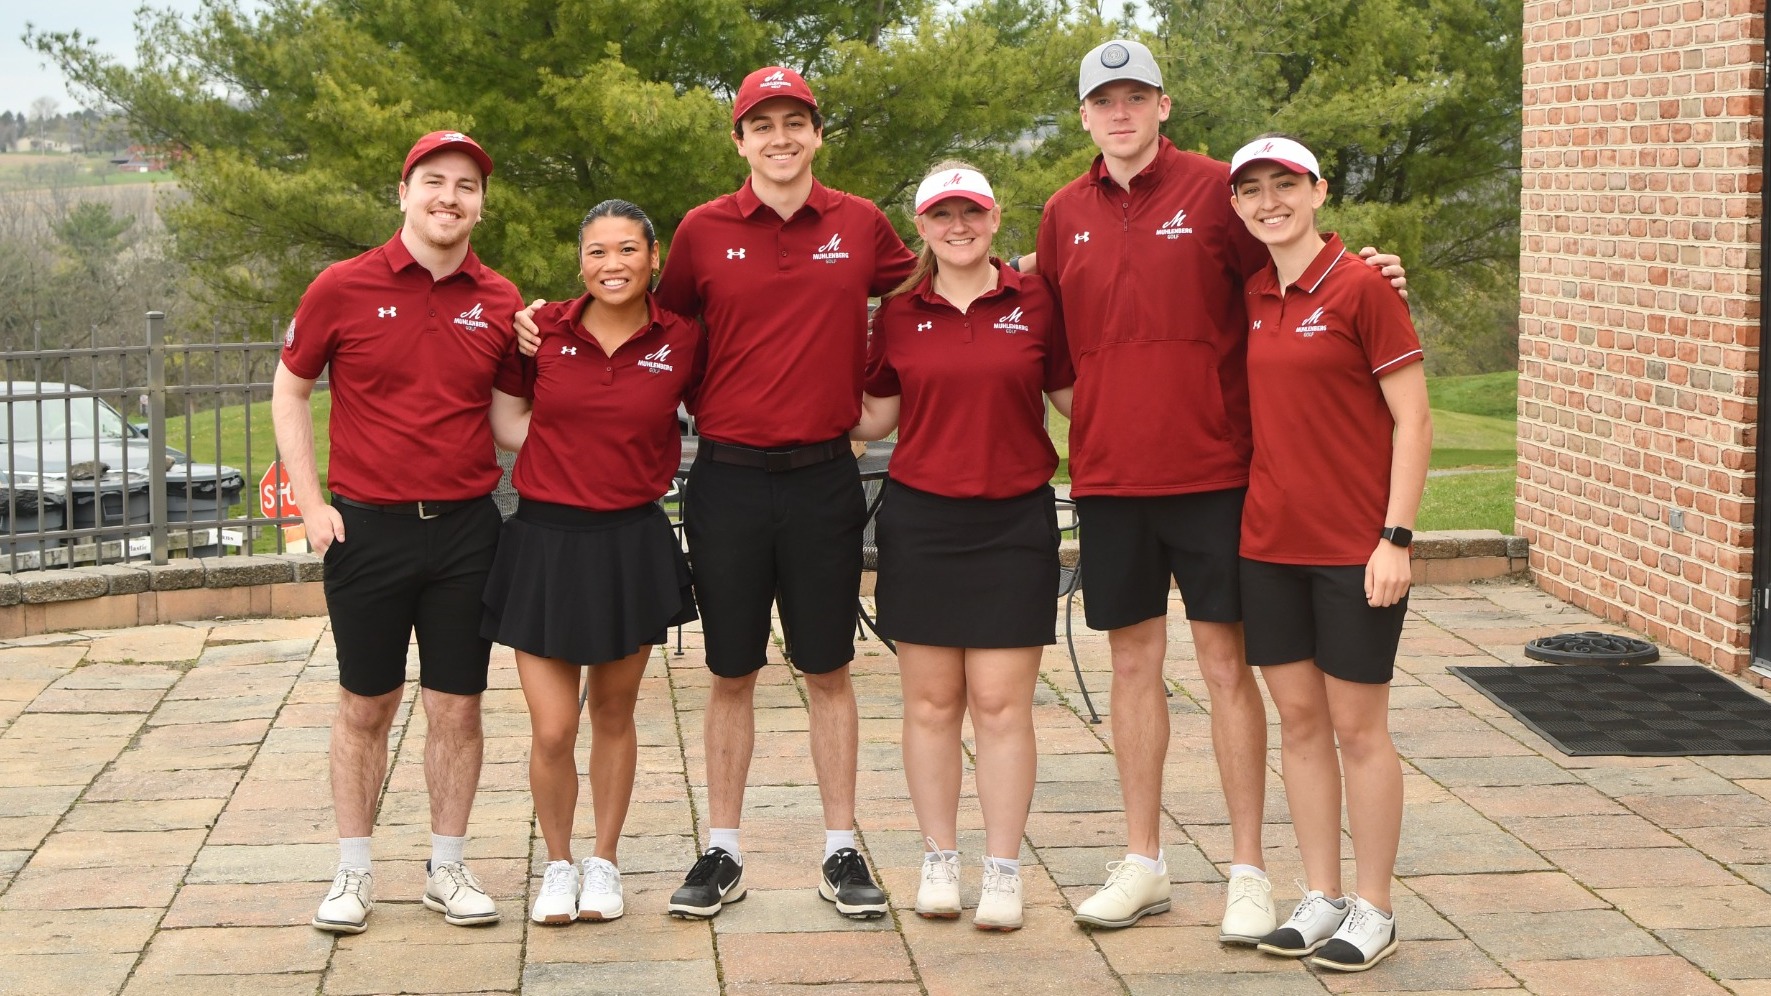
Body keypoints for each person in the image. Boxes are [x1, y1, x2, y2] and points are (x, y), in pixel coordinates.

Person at [516, 65, 916, 920]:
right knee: (730, 672)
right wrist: (541, 317)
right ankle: (722, 849)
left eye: (794, 122)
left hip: (823, 478)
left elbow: (922, 286)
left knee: (828, 669)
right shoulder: (699, 232)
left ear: (816, 134)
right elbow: (641, 315)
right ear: (738, 140)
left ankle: (841, 847)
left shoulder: (861, 225)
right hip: (728, 478)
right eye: (760, 124)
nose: (779, 138)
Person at [1034, 40, 1407, 940]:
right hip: (1113, 479)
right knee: (1132, 666)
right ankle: (1143, 863)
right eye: (1102, 101)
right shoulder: (1061, 212)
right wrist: (1117, 416)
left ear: (1162, 105)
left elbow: (1297, 265)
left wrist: (1374, 274)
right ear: (1083, 117)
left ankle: (1248, 870)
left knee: (1223, 668)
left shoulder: (1216, 189)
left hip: (1217, 475)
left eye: (1135, 97)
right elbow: (1055, 355)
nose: (1119, 113)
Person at [275, 130, 524, 934]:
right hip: (367, 533)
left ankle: (446, 868)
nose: (450, 197)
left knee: (458, 711)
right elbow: (289, 389)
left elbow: (512, 428)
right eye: (434, 182)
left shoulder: (500, 301)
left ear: (481, 203)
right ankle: (353, 873)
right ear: (403, 192)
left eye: (466, 186)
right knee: (364, 705)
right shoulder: (341, 287)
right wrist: (311, 508)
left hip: (464, 534)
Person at [852, 164, 1074, 931]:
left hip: (1014, 523)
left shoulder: (1035, 299)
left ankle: (1003, 868)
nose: (957, 226)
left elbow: (1077, 399)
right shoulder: (899, 312)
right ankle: (939, 858)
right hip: (921, 523)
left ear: (993, 218)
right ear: (921, 225)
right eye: (941, 215)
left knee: (1002, 704)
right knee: (931, 703)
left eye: (970, 213)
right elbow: (873, 416)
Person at [1228, 135, 1428, 972]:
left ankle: (1374, 908)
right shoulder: (1249, 293)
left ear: (1317, 190)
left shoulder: (1361, 287)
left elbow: (1413, 420)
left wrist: (1395, 538)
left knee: (1358, 729)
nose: (1268, 200)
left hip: (1355, 549)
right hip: (1268, 545)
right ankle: (1320, 896)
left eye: (1284, 184)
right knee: (1300, 725)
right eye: (1251, 190)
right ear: (1236, 207)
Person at [482, 199, 701, 925]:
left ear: (653, 256)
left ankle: (603, 862)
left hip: (629, 545)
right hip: (544, 543)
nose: (614, 264)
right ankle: (558, 864)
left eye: (628, 250)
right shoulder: (539, 329)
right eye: (599, 251)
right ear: (580, 262)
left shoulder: (683, 339)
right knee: (551, 728)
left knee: (613, 712)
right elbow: (505, 419)